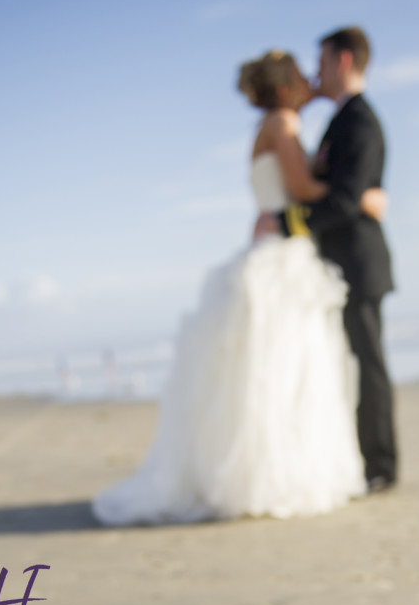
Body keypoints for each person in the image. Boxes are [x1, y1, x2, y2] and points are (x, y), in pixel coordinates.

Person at [91, 51, 386, 526]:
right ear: (287, 86)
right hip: (281, 255)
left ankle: (276, 472)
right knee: (282, 369)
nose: (312, 77)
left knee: (279, 368)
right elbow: (306, 188)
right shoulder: (283, 123)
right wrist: (366, 195)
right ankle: (273, 476)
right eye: (302, 74)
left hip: (281, 248)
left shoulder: (276, 122)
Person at [258, 27, 397, 492]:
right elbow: (348, 194)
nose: (315, 74)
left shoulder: (359, 120)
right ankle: (362, 461)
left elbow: (341, 198)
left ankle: (381, 467)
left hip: (359, 263)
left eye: (320, 64)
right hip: (335, 265)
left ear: (341, 61)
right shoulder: (340, 119)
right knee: (343, 362)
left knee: (368, 365)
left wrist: (285, 222)